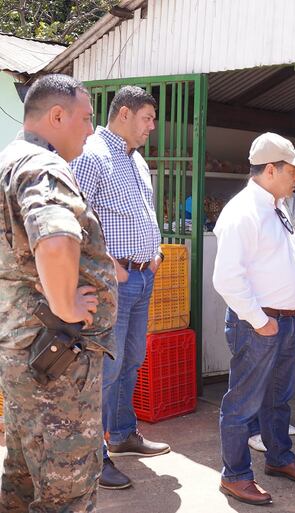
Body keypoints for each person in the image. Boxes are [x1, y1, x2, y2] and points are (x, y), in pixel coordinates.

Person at [0, 74, 117, 512]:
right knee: (66, 490)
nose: (90, 129)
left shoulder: (9, 159)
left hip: (24, 350)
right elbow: (53, 235)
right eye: (86, 118)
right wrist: (65, 303)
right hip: (58, 362)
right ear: (56, 115)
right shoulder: (44, 166)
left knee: (24, 477)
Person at [213, 132, 295, 506]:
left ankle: (278, 457)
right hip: (258, 325)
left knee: (278, 397)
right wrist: (259, 320)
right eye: (292, 170)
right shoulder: (243, 212)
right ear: (271, 169)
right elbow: (226, 278)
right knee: (243, 402)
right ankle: (236, 475)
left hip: (286, 319)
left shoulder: (277, 205)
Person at [71, 85, 170, 490]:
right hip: (114, 280)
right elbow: (75, 215)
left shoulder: (137, 160)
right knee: (106, 370)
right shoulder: (94, 154)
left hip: (142, 276)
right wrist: (110, 264)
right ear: (124, 114)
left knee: (131, 359)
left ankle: (124, 432)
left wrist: (157, 250)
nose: (151, 127)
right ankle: (95, 455)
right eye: (147, 118)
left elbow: (146, 212)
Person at [248, 190, 295, 451]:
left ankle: (275, 423)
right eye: (292, 170)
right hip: (266, 301)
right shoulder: (253, 205)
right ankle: (254, 428)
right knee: (259, 367)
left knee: (283, 370)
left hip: (292, 297)